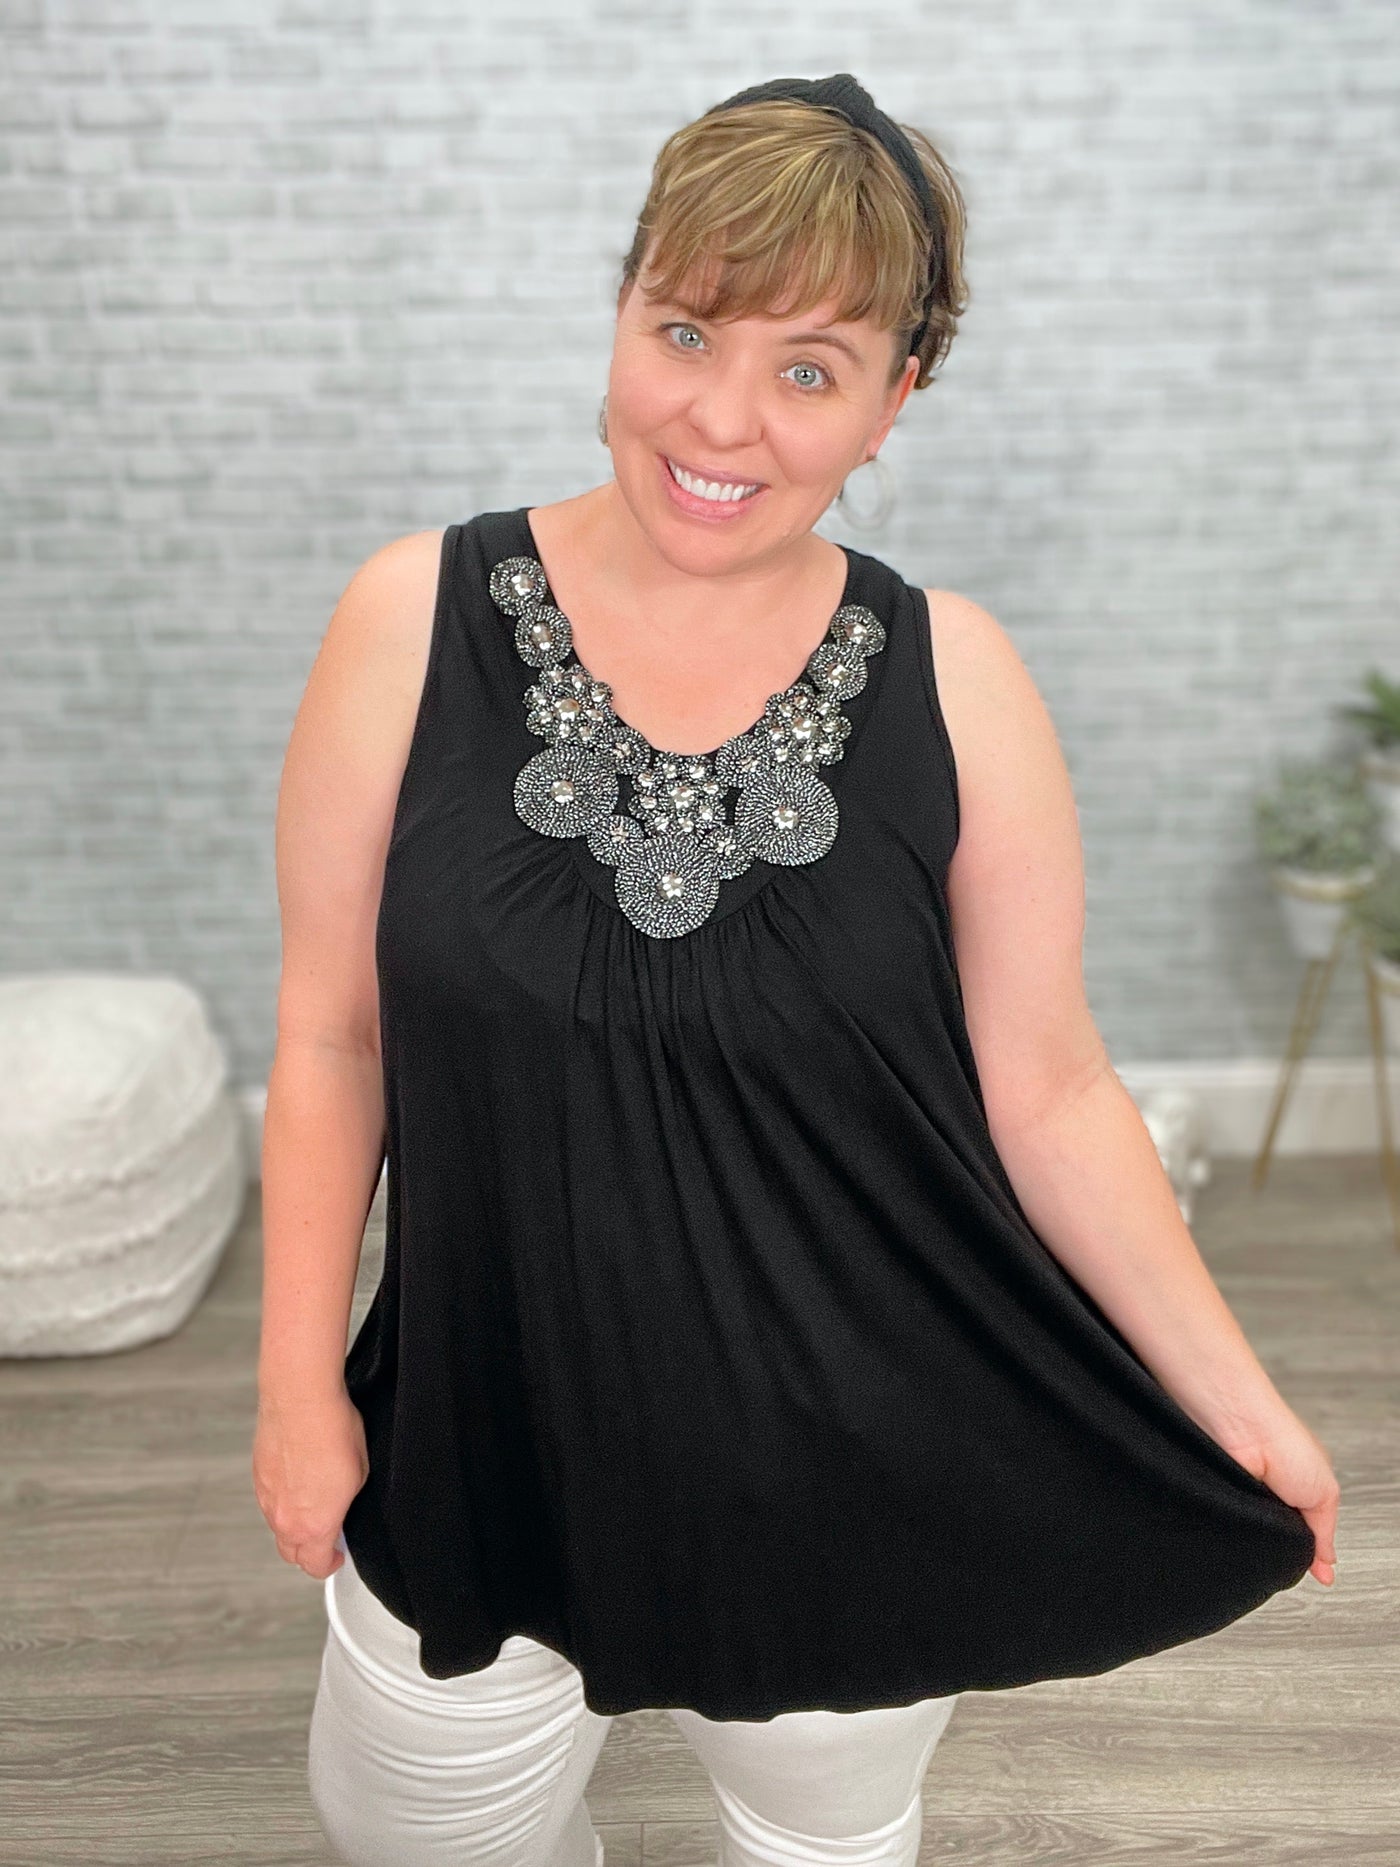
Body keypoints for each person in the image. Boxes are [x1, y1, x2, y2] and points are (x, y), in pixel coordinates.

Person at [254, 73, 1339, 1867]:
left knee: (822, 1849)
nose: (723, 418)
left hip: (858, 1462)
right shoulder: (408, 617)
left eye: (811, 369)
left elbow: (1052, 1087)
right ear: (621, 307)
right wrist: (298, 1386)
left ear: (895, 403)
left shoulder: (958, 677)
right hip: (476, 1439)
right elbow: (331, 1030)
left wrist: (1245, 1402)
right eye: (684, 330)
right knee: (417, 1839)